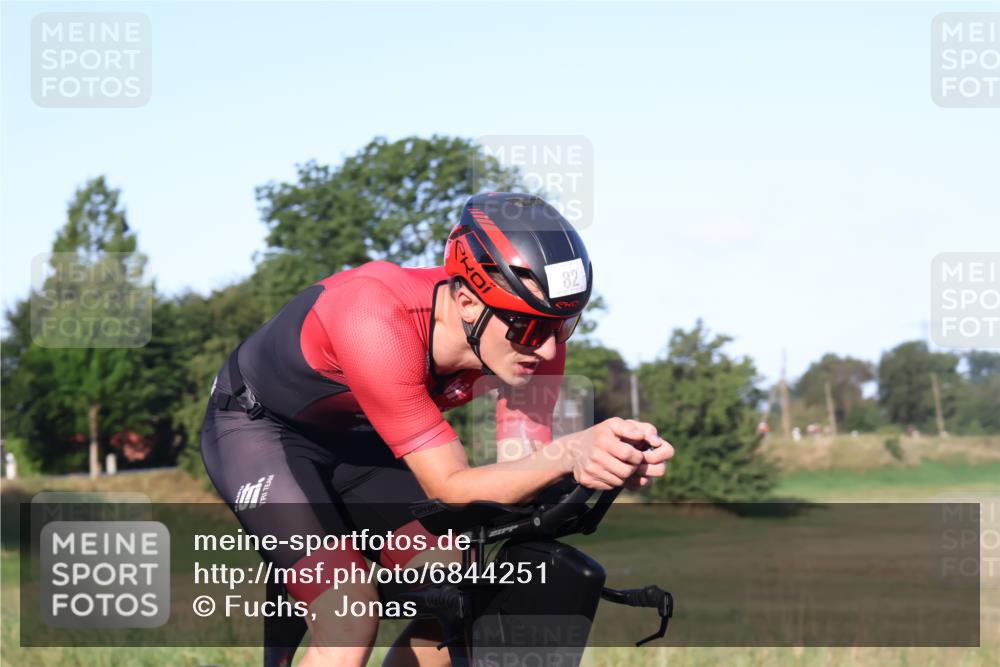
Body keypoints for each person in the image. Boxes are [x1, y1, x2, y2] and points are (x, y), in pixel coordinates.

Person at [200, 192, 674, 667]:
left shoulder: (533, 339)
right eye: (531, 330)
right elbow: (449, 487)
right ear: (467, 301)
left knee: (459, 589)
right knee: (349, 614)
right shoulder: (376, 318)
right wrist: (571, 453)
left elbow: (522, 473)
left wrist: (601, 464)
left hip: (360, 442)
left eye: (563, 325)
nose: (550, 351)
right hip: (260, 430)